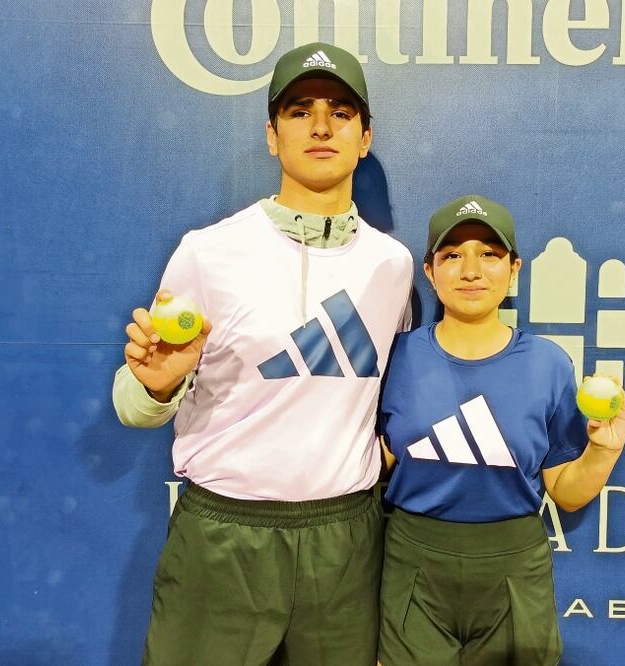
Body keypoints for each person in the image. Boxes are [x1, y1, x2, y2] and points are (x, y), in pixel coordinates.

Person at [112, 42, 413, 665]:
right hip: (224, 538)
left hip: (346, 540)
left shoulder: (393, 265)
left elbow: (391, 399)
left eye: (341, 112)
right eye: (300, 111)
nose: (322, 125)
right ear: (272, 137)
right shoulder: (209, 252)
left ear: (365, 137)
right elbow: (135, 403)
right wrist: (158, 387)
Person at [376, 195, 625, 665]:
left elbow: (567, 494)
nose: (471, 270)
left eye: (489, 254)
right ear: (429, 273)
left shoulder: (549, 364)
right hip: (411, 562)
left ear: (514, 270)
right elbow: (374, 463)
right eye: (452, 255)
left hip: (513, 565)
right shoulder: (396, 357)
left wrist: (603, 453)